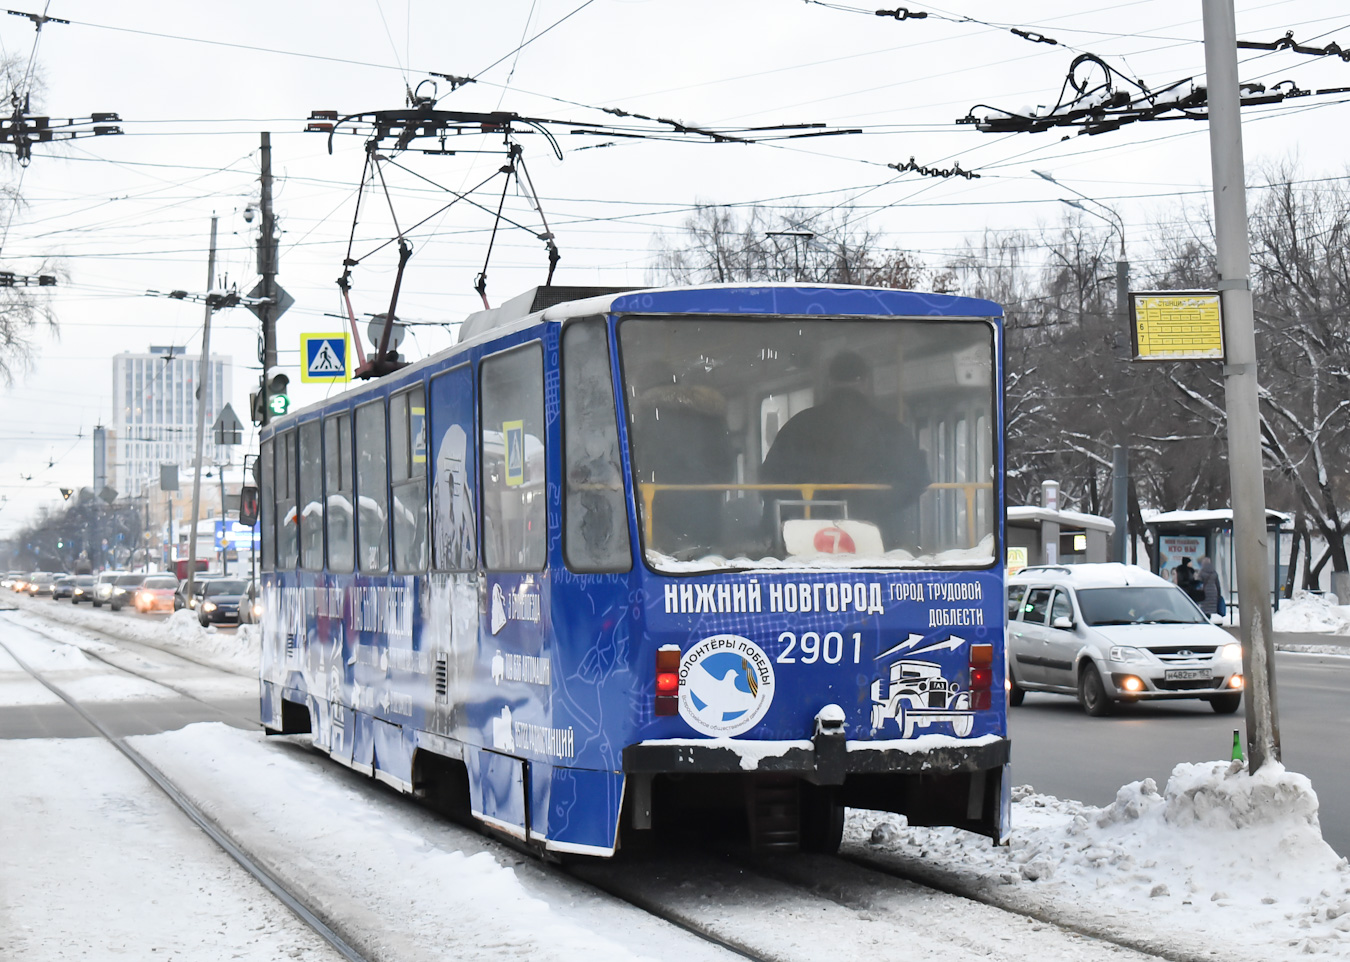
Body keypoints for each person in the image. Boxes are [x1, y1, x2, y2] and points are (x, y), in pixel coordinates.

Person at [760, 351, 929, 548]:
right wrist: (875, 507)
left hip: (804, 539)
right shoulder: (891, 429)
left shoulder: (796, 426)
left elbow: (769, 480)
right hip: (878, 538)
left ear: (830, 381)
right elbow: (915, 480)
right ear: (866, 382)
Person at [629, 362, 734, 555]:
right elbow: (727, 464)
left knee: (666, 559)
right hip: (710, 508)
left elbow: (641, 463)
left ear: (642, 387)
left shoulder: (650, 413)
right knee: (708, 561)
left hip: (663, 508)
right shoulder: (711, 413)